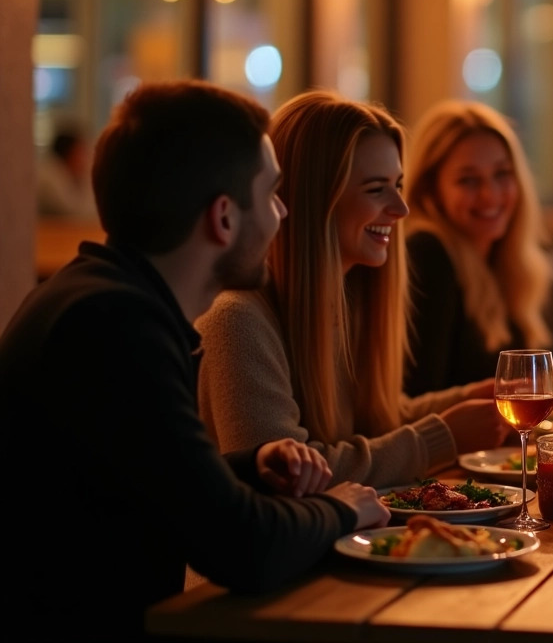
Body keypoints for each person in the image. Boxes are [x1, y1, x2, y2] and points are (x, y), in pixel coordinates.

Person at [0, 81, 389, 642]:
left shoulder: (104, 297)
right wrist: (344, 509)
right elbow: (243, 547)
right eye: (273, 194)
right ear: (224, 218)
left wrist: (252, 467)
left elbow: (145, 486)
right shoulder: (115, 327)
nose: (283, 214)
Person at [198, 92, 508, 489]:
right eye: (377, 189)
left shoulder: (343, 299)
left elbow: (374, 418)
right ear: (315, 199)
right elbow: (291, 478)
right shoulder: (237, 320)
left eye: (398, 185)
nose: (401, 208)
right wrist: (440, 438)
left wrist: (467, 401)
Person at [401, 99, 551, 395]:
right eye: (468, 180)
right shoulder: (427, 254)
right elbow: (417, 400)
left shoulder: (502, 261)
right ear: (431, 189)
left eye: (501, 174)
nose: (490, 195)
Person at [36, 122, 98, 219]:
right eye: (81, 152)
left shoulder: (66, 174)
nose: (85, 158)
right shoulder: (49, 176)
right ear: (69, 153)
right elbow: (74, 214)